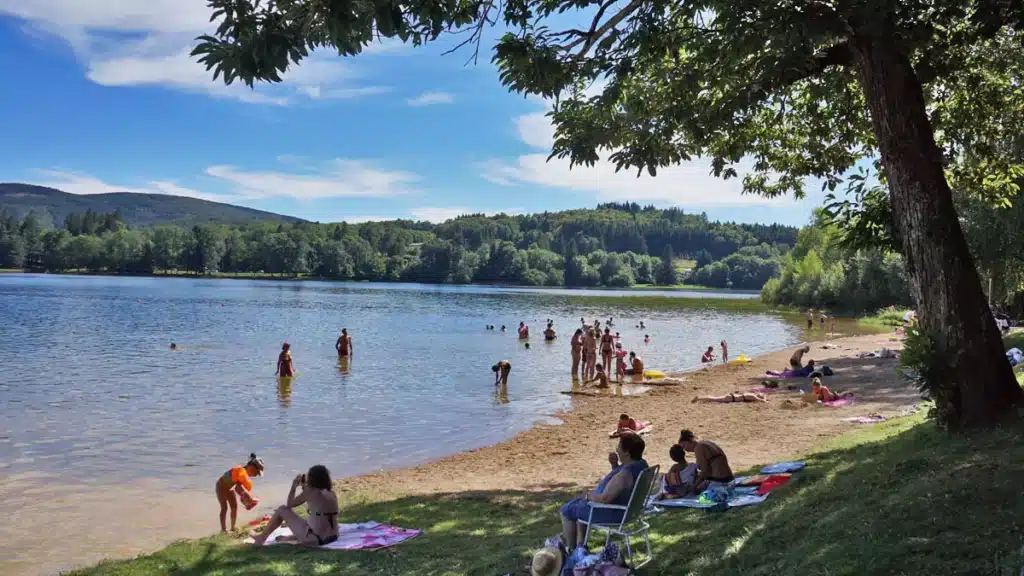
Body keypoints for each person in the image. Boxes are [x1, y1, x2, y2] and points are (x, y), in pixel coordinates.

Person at [558, 434, 649, 551]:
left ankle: (570, 550)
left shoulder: (625, 474)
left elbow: (604, 499)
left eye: (619, 447)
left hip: (614, 513)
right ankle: (581, 547)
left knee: (567, 510)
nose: (617, 449)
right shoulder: (641, 465)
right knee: (578, 506)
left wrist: (587, 496)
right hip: (630, 510)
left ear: (627, 452)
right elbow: (623, 487)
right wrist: (615, 465)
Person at [251, 465, 340, 547]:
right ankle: (289, 538)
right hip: (333, 536)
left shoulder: (310, 491)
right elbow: (316, 502)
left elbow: (289, 504)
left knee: (282, 509)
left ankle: (261, 538)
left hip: (316, 539)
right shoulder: (331, 493)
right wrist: (304, 487)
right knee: (314, 517)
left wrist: (294, 486)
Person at [216, 453, 265, 532]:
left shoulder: (244, 474)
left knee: (234, 507)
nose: (256, 475)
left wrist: (245, 499)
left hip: (229, 488)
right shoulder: (240, 471)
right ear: (251, 467)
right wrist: (250, 498)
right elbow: (239, 488)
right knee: (224, 508)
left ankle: (232, 528)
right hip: (220, 487)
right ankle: (223, 530)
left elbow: (238, 489)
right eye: (256, 472)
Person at [691, 392, 768, 403]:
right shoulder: (753, 396)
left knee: (714, 398)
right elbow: (763, 401)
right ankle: (699, 398)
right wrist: (764, 397)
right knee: (714, 399)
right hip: (731, 398)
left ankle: (700, 398)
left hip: (731, 396)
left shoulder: (751, 394)